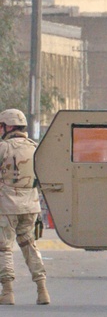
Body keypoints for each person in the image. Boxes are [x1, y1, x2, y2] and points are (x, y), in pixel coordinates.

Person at [0, 108, 49, 305]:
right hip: (31, 206)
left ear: (8, 126)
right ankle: (42, 289)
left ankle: (8, 291)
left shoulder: (3, 148)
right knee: (30, 246)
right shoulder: (35, 147)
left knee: (4, 249)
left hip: (6, 207)